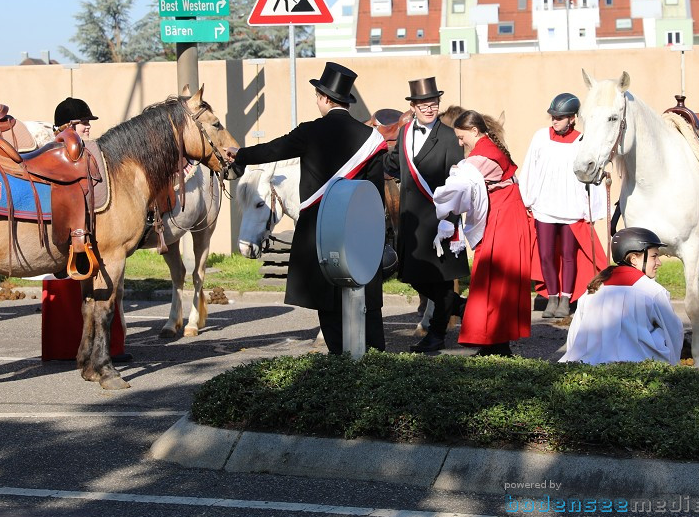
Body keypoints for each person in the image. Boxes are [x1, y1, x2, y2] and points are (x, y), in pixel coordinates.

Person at [225, 62, 388, 354]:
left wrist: (241, 154)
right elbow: (375, 194)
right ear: (346, 100)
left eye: (318, 96)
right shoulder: (373, 140)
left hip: (321, 230)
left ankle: (340, 361)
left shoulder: (310, 131)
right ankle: (375, 361)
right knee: (365, 300)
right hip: (360, 232)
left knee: (328, 302)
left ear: (325, 98)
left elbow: (273, 150)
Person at [432, 110, 532, 356]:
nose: (459, 142)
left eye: (461, 136)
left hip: (503, 220)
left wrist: (438, 205)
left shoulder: (480, 157)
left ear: (474, 131)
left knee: (494, 279)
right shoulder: (487, 149)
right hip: (505, 217)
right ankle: (496, 343)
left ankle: (495, 344)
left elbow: (456, 189)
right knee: (497, 282)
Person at [384, 78, 470, 353]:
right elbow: (395, 165)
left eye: (433, 104)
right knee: (412, 275)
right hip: (411, 219)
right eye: (423, 104)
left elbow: (456, 182)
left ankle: (436, 335)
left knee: (440, 278)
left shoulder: (448, 136)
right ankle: (461, 306)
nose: (429, 109)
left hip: (438, 220)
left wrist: (451, 220)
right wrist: (370, 157)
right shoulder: (406, 131)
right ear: (413, 107)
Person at [520, 92, 606, 319]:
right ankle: (552, 297)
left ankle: (566, 299)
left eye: (560, 117)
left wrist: (592, 210)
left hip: (572, 207)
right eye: (553, 117)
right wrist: (527, 199)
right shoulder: (540, 137)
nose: (555, 121)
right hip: (544, 206)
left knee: (569, 254)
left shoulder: (583, 141)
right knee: (546, 254)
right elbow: (529, 167)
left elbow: (592, 176)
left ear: (572, 118)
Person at [560, 227, 683, 365]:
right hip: (640, 371)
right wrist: (673, 367)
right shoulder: (653, 291)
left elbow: (575, 336)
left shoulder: (593, 289)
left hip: (590, 368)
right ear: (634, 259)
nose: (659, 263)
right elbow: (673, 334)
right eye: (654, 256)